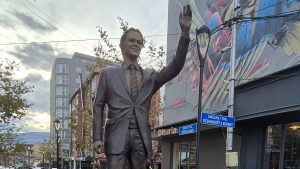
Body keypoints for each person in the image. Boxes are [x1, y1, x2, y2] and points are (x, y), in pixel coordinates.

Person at [93, 4, 192, 169]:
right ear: (122, 44)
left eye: (139, 42)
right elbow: (98, 106)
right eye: (132, 40)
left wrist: (185, 34)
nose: (136, 44)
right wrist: (97, 137)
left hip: (141, 135)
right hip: (116, 136)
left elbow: (175, 66)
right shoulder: (108, 73)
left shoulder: (150, 76)